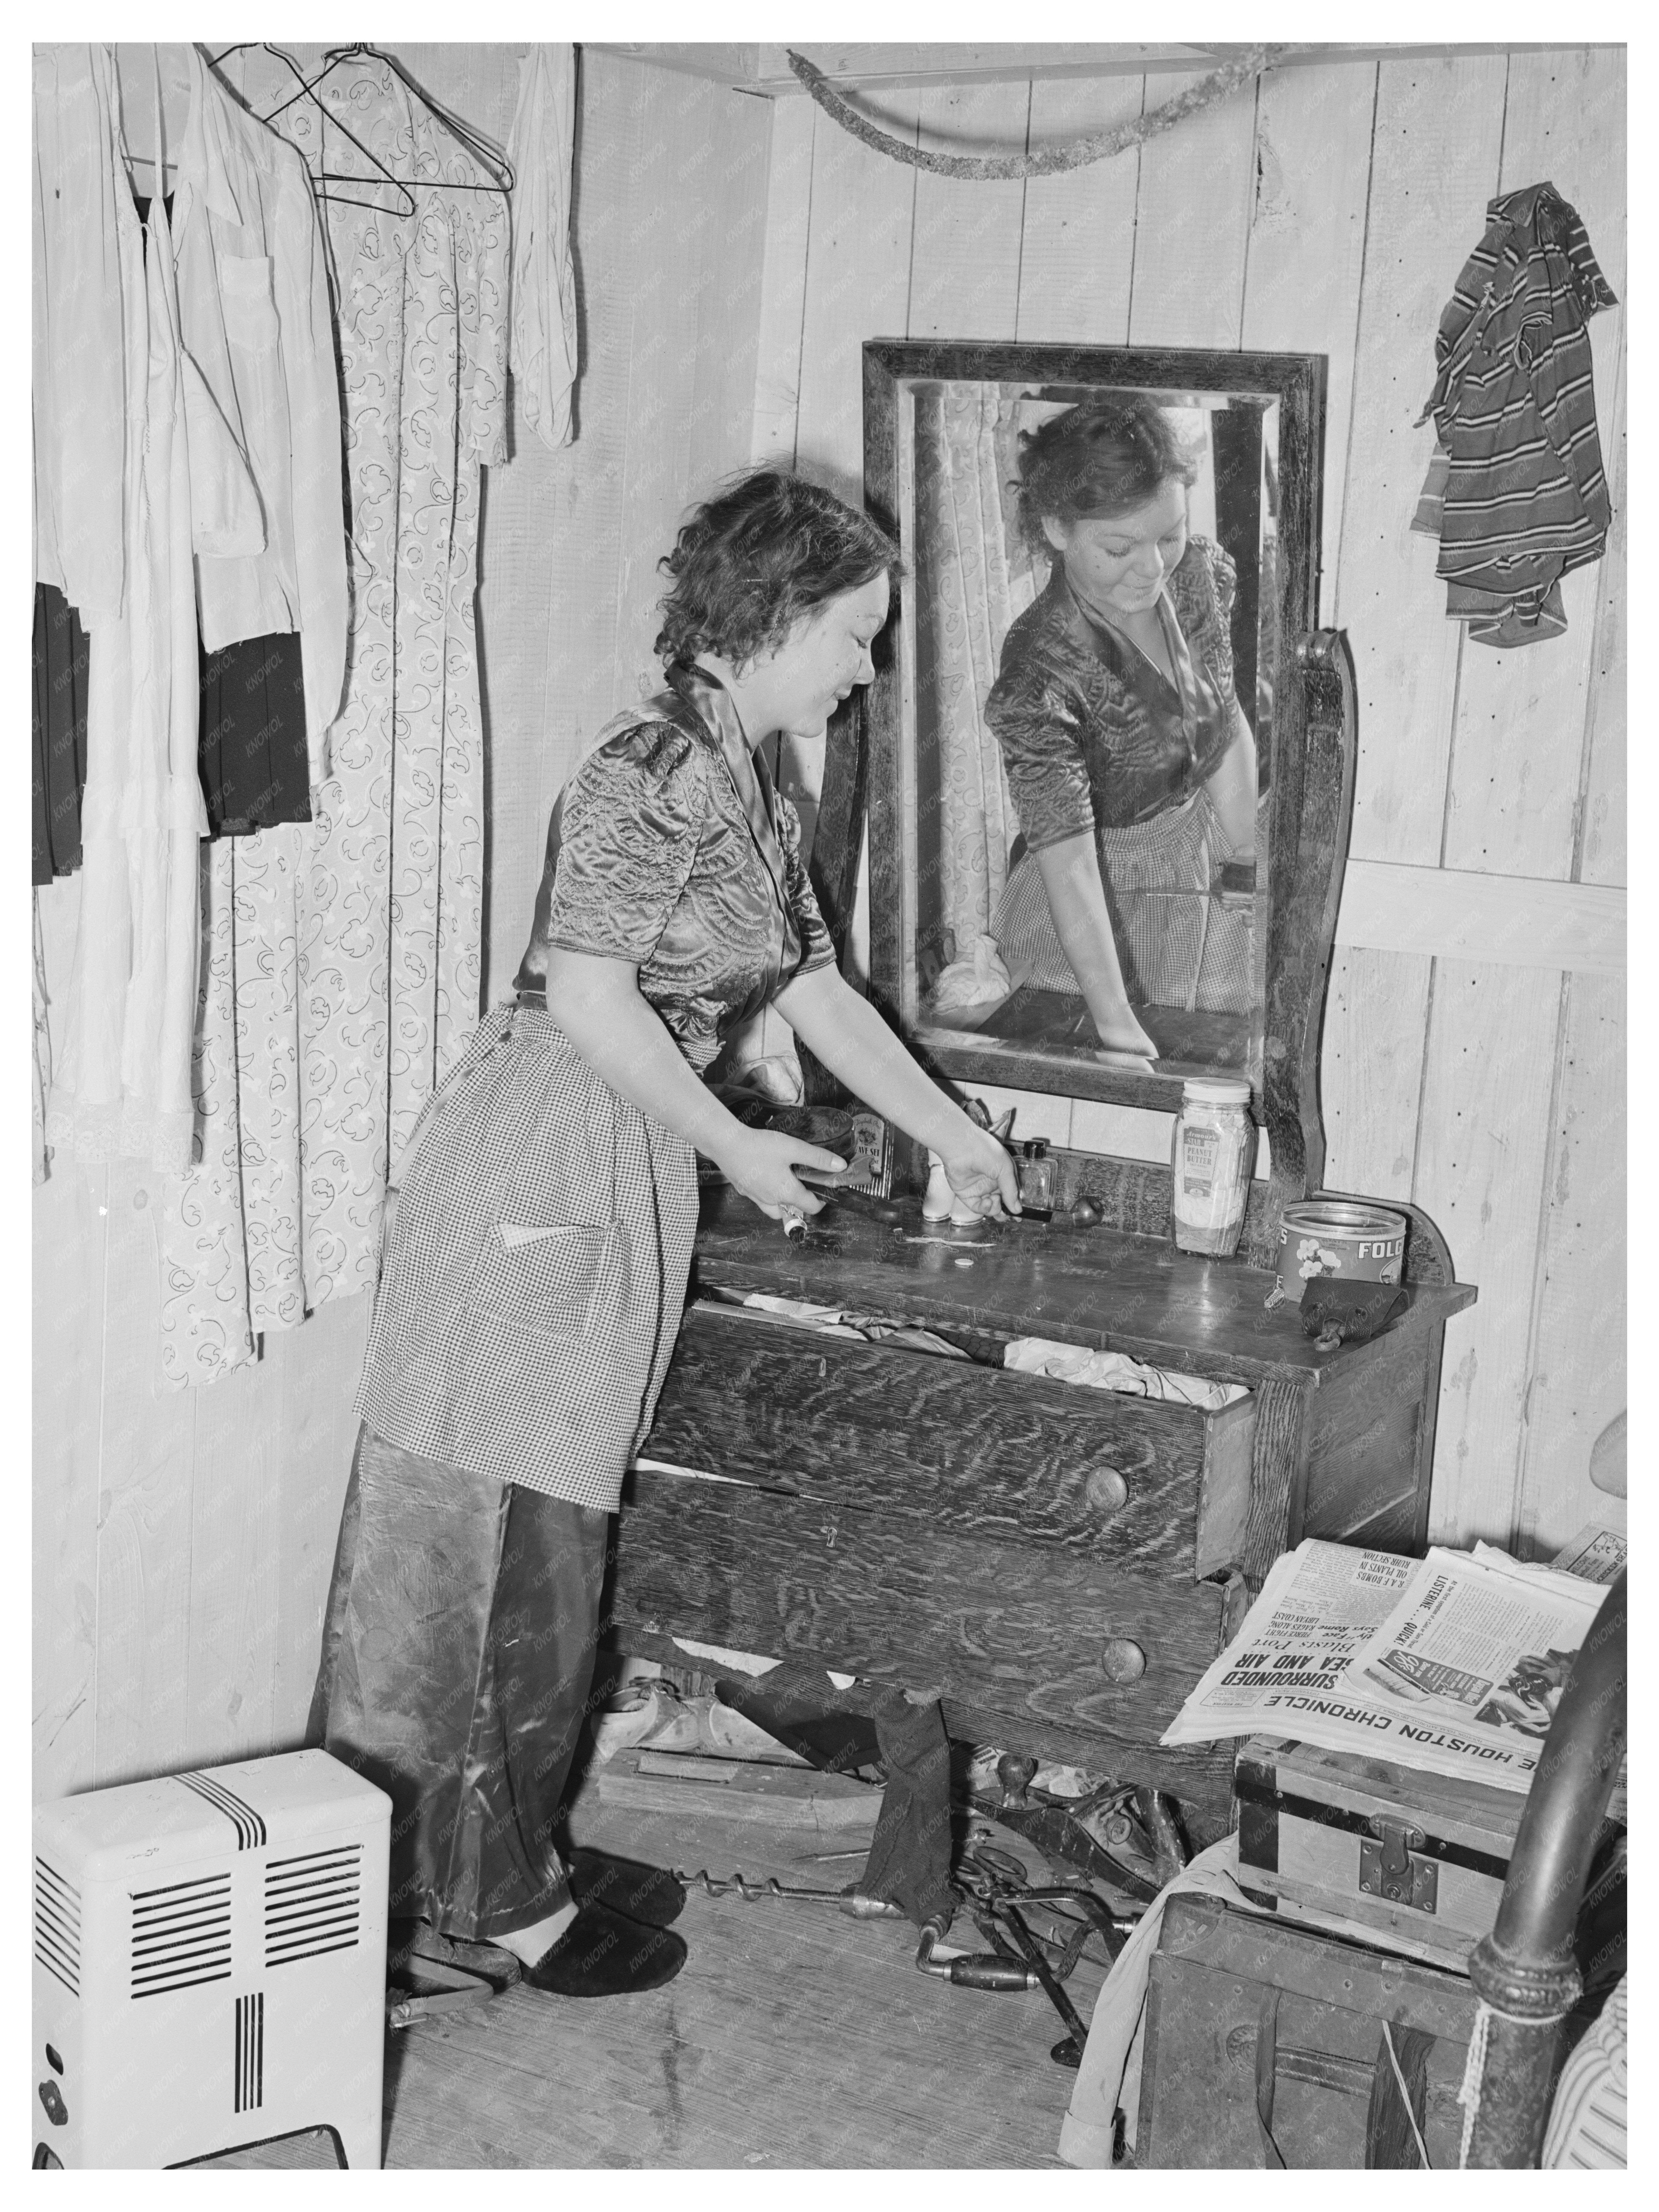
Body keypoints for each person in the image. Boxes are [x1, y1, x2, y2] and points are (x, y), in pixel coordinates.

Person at [308, 470, 1021, 2001]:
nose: (865, 666)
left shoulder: (752, 784)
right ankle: (447, 1902)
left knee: (547, 1547)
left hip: (612, 1152)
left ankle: (488, 1865)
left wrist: (957, 1132)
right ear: (765, 616)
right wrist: (736, 1145)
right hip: (540, 1147)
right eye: (852, 632)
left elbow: (811, 989)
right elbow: (586, 994)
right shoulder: (646, 770)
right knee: (479, 1552)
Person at [986, 398, 1260, 1060]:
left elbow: (1221, 723)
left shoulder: (1191, 576)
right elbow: (1069, 858)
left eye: (1166, 536)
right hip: (1094, 913)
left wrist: (1249, 859)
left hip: (1200, 861)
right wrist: (1113, 1024)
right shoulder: (1039, 669)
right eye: (1118, 547)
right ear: (1056, 527)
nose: (1152, 567)